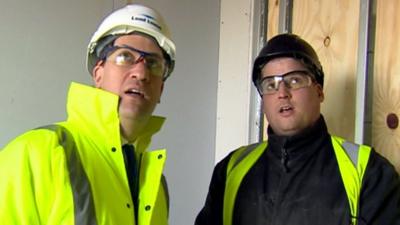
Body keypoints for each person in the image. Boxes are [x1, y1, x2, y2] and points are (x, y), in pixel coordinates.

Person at [195, 33, 400, 225]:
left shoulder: (369, 172)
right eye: (270, 85)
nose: (282, 93)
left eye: (294, 80)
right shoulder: (231, 169)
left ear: (319, 91)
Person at [0, 4, 175, 225]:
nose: (141, 73)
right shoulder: (36, 153)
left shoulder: (155, 183)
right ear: (98, 74)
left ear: (161, 89)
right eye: (125, 57)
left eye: (153, 63)